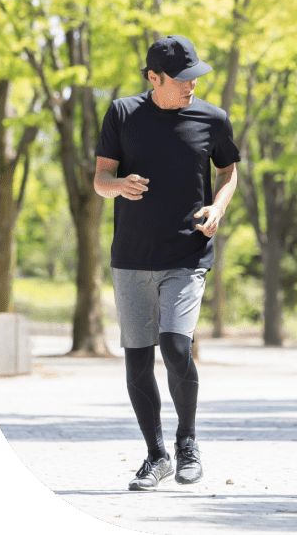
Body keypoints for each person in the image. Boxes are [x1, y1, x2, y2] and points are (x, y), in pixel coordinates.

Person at [94, 35, 241, 491]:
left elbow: (228, 172)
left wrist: (217, 207)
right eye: (181, 79)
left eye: (195, 77)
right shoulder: (122, 113)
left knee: (177, 347)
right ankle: (156, 455)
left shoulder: (212, 119)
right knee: (137, 362)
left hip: (187, 253)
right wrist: (117, 186)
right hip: (132, 257)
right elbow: (100, 177)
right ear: (153, 77)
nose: (191, 86)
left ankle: (187, 443)